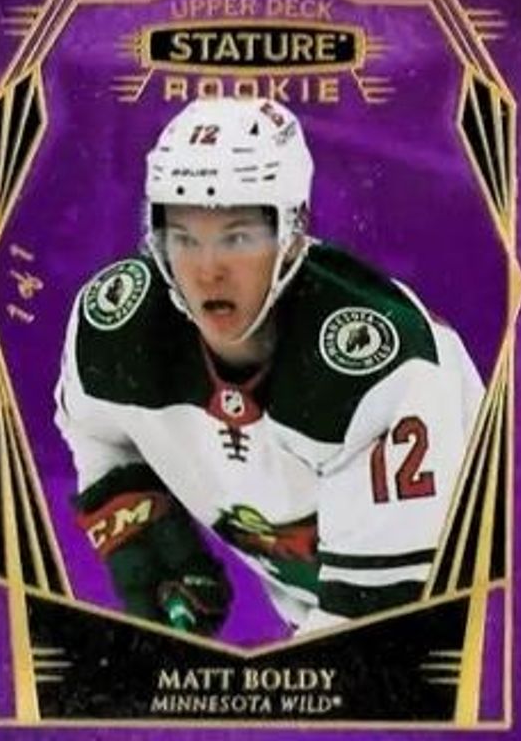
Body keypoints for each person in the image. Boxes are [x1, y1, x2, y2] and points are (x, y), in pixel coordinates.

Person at [54, 97, 483, 638]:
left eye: (237, 237)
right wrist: (143, 532)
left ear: (293, 233)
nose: (208, 270)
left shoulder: (380, 369)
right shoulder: (118, 329)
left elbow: (380, 630)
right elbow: (97, 432)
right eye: (184, 238)